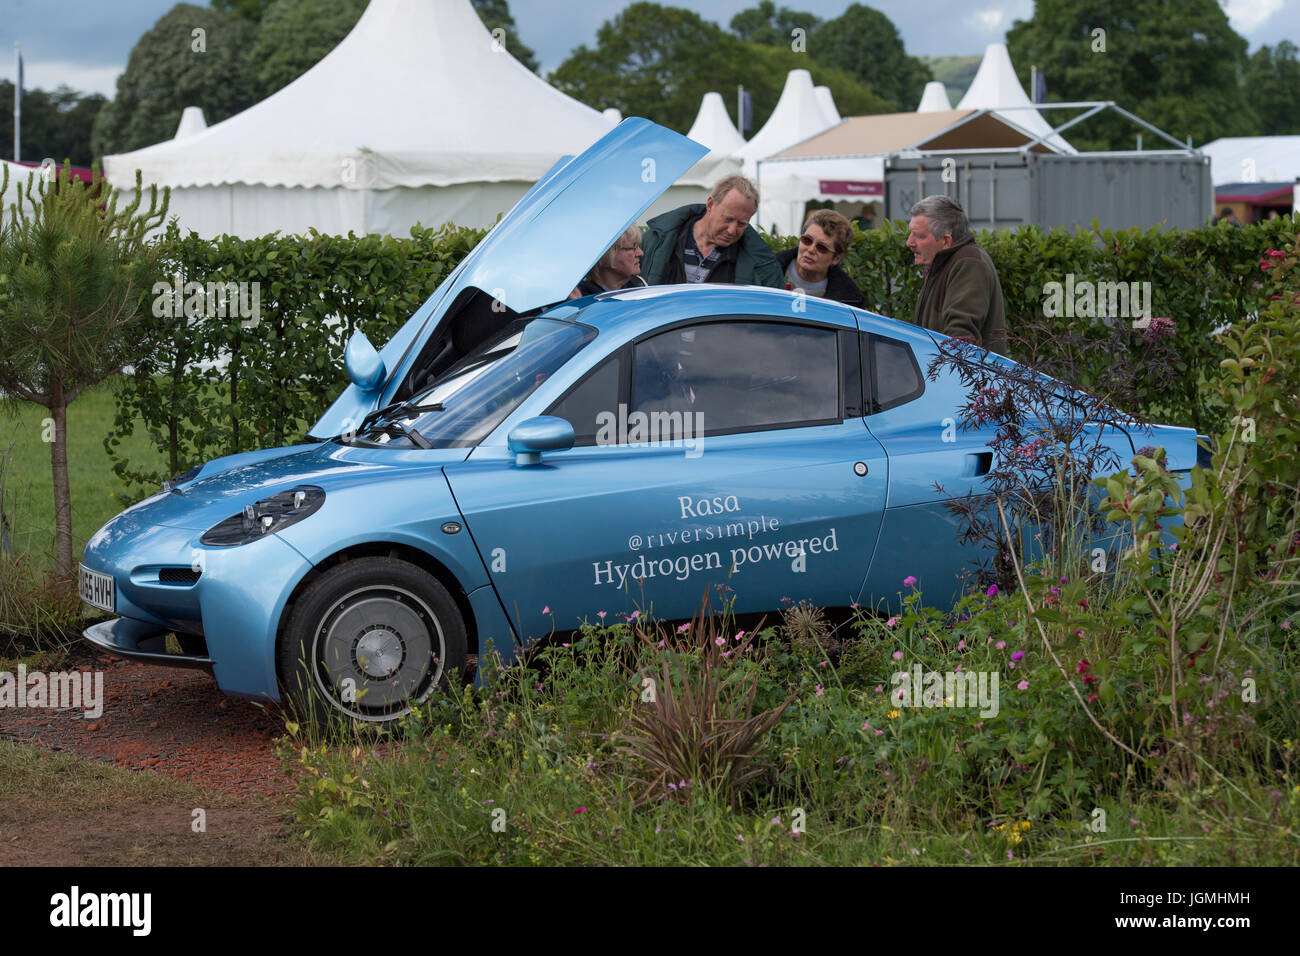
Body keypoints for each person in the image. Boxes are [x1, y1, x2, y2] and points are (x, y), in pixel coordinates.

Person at [639, 174, 783, 288]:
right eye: (727, 219)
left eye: (742, 224)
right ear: (710, 204)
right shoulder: (656, 240)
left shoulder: (763, 264)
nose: (732, 230)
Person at [906, 195, 1006, 353]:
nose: (909, 242)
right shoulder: (944, 262)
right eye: (911, 233)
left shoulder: (969, 263)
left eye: (919, 236)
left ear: (946, 240)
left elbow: (960, 339)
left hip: (962, 377)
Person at [776, 209, 865, 307]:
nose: (811, 250)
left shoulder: (850, 299)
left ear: (836, 258)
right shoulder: (764, 272)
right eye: (807, 240)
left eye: (821, 248)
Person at [570, 226, 646, 298]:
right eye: (634, 248)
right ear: (606, 254)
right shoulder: (578, 300)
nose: (640, 253)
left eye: (639, 246)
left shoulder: (639, 285)